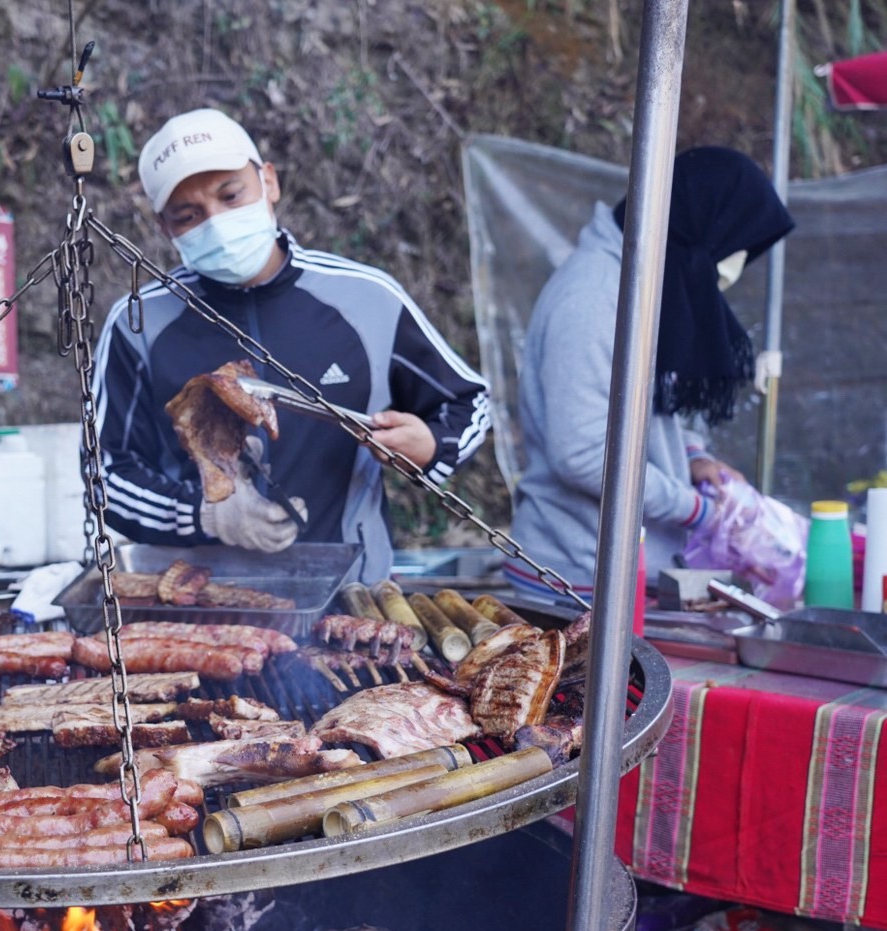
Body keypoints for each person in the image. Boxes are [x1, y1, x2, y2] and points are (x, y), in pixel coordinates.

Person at [91, 107, 491, 578]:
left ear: (270, 183)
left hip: (354, 596)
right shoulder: (140, 321)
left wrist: (431, 443)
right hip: (205, 611)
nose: (216, 223)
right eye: (189, 215)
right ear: (164, 228)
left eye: (231, 195)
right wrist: (202, 512)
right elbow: (104, 475)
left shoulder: (364, 298)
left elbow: (469, 403)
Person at [505, 146, 796, 599]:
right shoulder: (593, 300)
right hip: (577, 579)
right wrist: (697, 510)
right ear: (698, 225)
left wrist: (693, 457)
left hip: (627, 570)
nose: (734, 263)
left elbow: (652, 406)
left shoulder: (646, 287)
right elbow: (582, 453)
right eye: (731, 246)